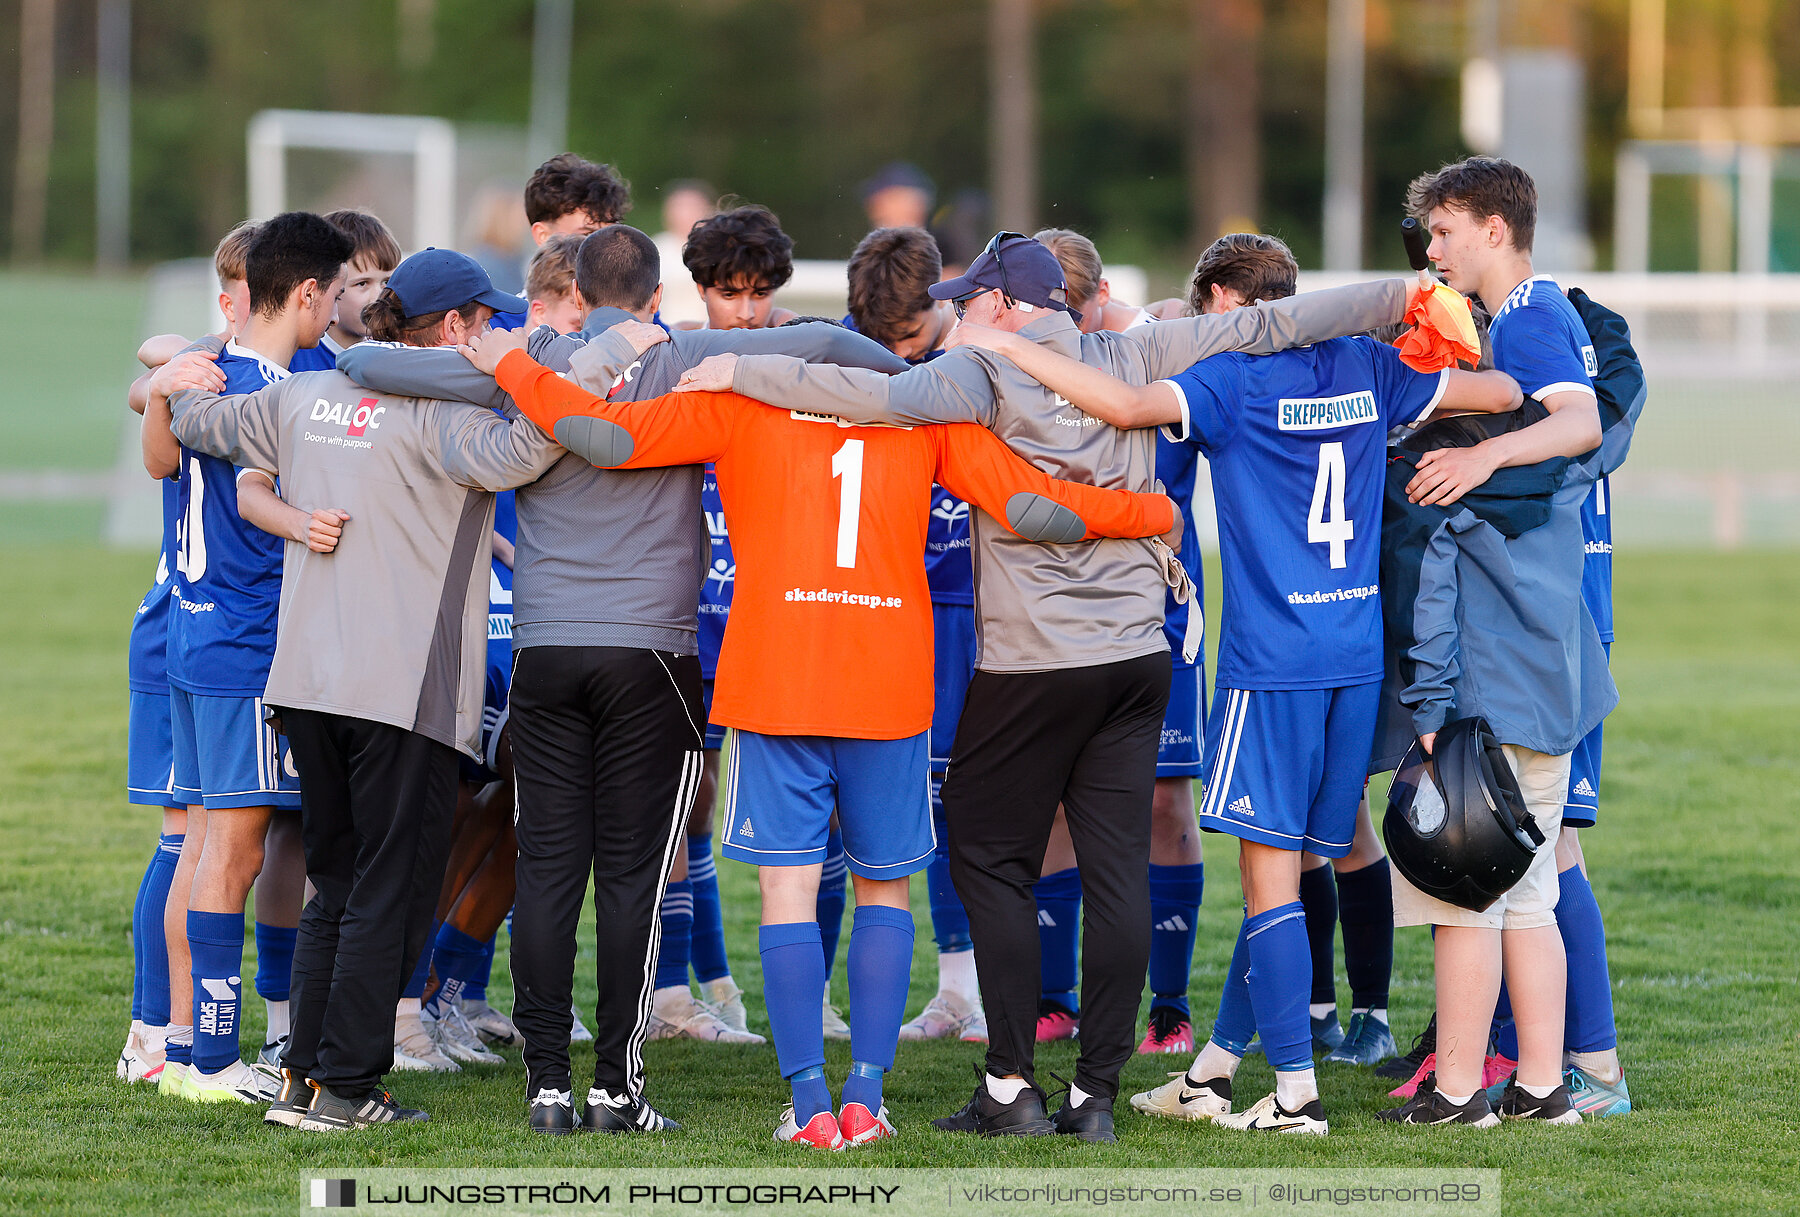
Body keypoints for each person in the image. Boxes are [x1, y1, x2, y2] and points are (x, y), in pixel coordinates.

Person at [675, 231, 1417, 1141]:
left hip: (1030, 664)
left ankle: (1010, 1082)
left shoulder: (979, 373)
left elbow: (864, 394)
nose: (956, 311)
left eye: (971, 298)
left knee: (989, 858)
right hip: (1137, 657)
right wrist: (1408, 293)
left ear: (1006, 306)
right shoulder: (1139, 349)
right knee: (1117, 872)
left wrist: (744, 376)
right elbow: (1291, 318)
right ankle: (1094, 1095)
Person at [464, 315, 1179, 1149]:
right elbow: (1033, 507)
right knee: (883, 888)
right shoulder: (922, 418)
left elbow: (594, 434)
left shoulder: (740, 403)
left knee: (786, 891)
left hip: (777, 680)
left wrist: (513, 364)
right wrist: (1151, 509)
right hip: (888, 681)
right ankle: (866, 1096)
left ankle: (808, 1101)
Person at [337, 223, 914, 1135]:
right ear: (653, 297)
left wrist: (465, 352)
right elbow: (838, 346)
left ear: (573, 288)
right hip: (652, 654)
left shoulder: (531, 358)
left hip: (545, 651)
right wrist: (893, 365)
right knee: (636, 881)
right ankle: (616, 1087)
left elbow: (376, 367)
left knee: (550, 871)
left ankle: (545, 1086)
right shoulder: (692, 353)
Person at [951, 234, 1522, 1136]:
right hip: (1353, 652)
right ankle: (1215, 1069)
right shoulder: (1370, 367)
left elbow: (1128, 401)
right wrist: (1440, 371)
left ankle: (1293, 1094)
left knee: (1268, 890)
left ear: (1227, 307)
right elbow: (1500, 392)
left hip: (1273, 662)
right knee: (1300, 867)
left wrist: (1010, 345)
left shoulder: (1235, 379)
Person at [157, 247, 564, 1130]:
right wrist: (523, 369)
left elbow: (201, 422)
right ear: (452, 329)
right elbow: (543, 438)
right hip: (403, 694)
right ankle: (347, 1088)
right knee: (390, 889)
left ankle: (303, 1078)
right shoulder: (446, 423)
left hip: (305, 681)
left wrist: (175, 369)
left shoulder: (305, 397)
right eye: (487, 324)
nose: (495, 337)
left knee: (336, 883)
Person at [1372, 156, 1622, 1128]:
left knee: (1463, 880)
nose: (1432, 251)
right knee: (1525, 890)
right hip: (1550, 651)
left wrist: (1478, 449)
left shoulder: (1527, 314)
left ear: (1488, 225)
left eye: (1441, 232)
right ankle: (1545, 1086)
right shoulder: (1529, 319)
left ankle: (1461, 1089)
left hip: (1502, 655)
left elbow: (1579, 417)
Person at [153, 213, 351, 1104]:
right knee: (234, 852)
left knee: (202, 843)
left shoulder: (207, 375)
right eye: (338, 294)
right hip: (243, 643)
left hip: (192, 634)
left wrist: (156, 382)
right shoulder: (270, 393)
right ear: (307, 293)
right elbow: (255, 499)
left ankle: (188, 1044)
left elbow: (161, 458)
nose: (341, 311)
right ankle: (214, 1061)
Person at [1035, 227, 1207, 1057]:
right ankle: (1052, 996)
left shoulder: (1154, 354)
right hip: (1060, 610)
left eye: (1074, 308)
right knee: (1057, 801)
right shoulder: (1027, 358)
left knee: (1166, 804)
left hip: (1162, 614)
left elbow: (1179, 317)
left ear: (1101, 299)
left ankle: (1168, 1006)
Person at [842, 227, 984, 1045]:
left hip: (985, 604)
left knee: (989, 800)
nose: (901, 356)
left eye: (912, 339)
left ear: (944, 300)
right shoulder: (852, 362)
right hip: (899, 606)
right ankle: (956, 985)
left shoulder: (984, 352)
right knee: (923, 798)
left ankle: (1021, 987)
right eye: (885, 341)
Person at [489, 154, 632, 330]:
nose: (604, 248)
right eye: (588, 235)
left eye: (611, 234)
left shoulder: (636, 315)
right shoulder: (500, 327)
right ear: (544, 236)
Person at [320, 208, 402, 355]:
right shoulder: (296, 355)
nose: (379, 296)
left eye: (386, 282)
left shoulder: (395, 351)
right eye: (362, 283)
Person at [650, 179, 716, 327]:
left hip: (711, 333)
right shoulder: (655, 247)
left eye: (692, 207)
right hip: (668, 335)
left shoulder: (721, 249)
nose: (685, 214)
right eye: (679, 207)